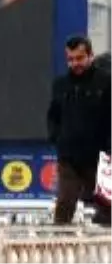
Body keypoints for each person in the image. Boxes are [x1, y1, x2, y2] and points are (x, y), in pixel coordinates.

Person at [47, 35, 112, 224]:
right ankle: (57, 246)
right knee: (64, 205)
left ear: (90, 56)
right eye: (71, 59)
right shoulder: (60, 85)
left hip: (100, 158)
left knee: (107, 207)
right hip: (69, 157)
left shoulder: (106, 82)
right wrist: (56, 138)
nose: (75, 63)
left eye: (80, 58)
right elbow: (53, 116)